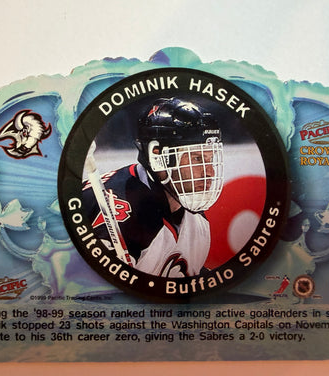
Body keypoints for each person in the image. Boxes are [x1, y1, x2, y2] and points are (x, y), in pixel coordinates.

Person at [82, 98, 224, 277]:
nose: (209, 172)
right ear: (158, 157)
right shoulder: (122, 217)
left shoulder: (194, 217)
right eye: (197, 158)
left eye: (210, 158)